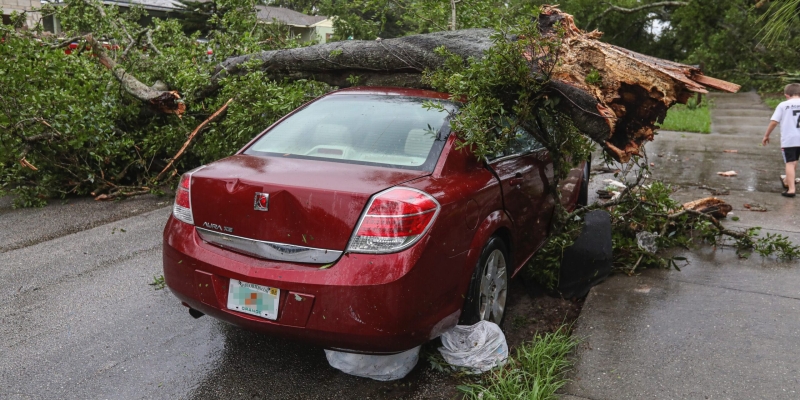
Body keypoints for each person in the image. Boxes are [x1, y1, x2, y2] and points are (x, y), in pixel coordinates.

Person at [762, 83, 800, 198]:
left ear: (787, 95)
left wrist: (766, 135)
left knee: (790, 162)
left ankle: (791, 189)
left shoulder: (783, 105)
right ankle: (789, 181)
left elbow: (774, 121)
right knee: (795, 160)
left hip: (790, 139)